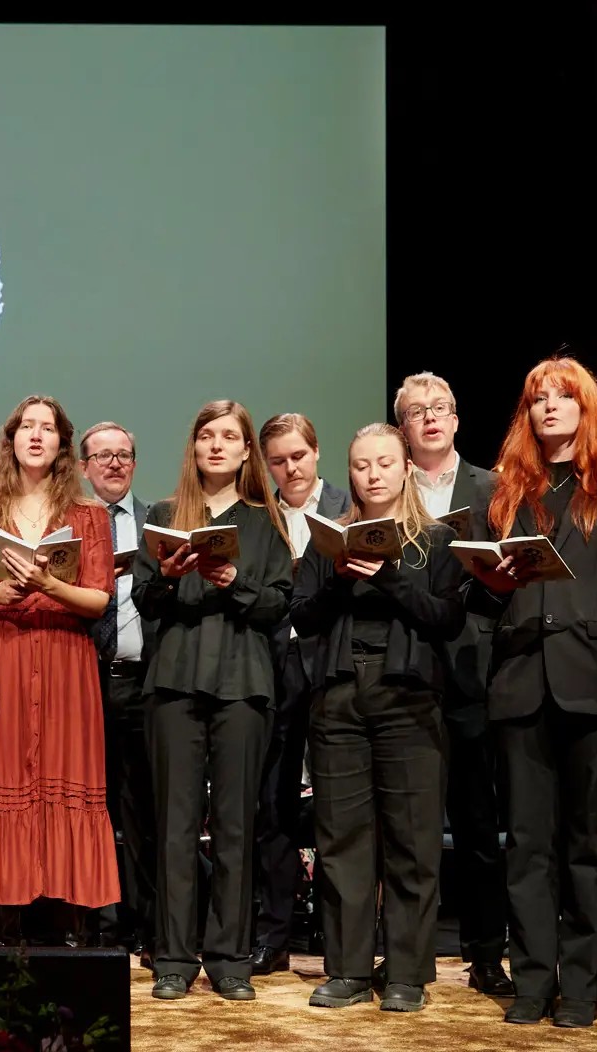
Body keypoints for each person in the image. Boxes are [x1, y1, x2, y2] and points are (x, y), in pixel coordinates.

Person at [461, 356, 597, 1029]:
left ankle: (579, 985)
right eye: (538, 399)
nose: (549, 408)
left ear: (587, 408)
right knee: (526, 842)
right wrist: (489, 580)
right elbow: (486, 598)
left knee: (591, 843)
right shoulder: (508, 492)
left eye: (562, 397)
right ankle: (532, 981)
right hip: (521, 679)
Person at [291, 424, 466, 1011]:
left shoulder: (436, 539)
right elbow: (305, 618)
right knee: (342, 840)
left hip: (408, 698)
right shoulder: (327, 541)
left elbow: (444, 619)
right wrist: (340, 577)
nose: (373, 474)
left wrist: (388, 575)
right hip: (339, 697)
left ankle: (408, 974)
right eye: (362, 465)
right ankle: (346, 969)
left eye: (385, 463)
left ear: (405, 467)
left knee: (412, 840)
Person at [0, 396, 118, 945]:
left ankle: (66, 926)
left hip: (64, 662)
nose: (36, 436)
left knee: (63, 787)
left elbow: (98, 601)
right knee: (2, 785)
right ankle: (2, 927)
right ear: (10, 440)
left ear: (64, 445)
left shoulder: (89, 517)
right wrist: (2, 589)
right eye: (27, 427)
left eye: (48, 429)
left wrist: (47, 586)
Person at [135, 401, 293, 1002]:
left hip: (244, 683)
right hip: (174, 681)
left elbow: (280, 605)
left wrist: (235, 583)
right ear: (193, 447)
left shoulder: (265, 519)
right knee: (175, 826)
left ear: (247, 450)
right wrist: (174, 574)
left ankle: (229, 957)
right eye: (207, 436)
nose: (218, 446)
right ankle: (173, 956)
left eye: (230, 437)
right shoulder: (165, 513)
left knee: (236, 827)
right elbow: (146, 599)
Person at [394, 372, 513, 995]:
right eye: (417, 412)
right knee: (404, 824)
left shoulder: (494, 488)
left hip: (469, 666)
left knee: (475, 822)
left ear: (458, 419)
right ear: (403, 428)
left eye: (441, 408)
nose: (431, 418)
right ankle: (403, 950)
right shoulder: (385, 486)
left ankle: (486, 951)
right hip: (404, 667)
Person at [250, 412, 350, 975]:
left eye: (298, 456)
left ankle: (343, 939)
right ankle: (275, 935)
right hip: (274, 667)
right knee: (274, 807)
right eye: (279, 460)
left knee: (340, 809)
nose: (290, 468)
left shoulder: (349, 507)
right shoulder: (260, 518)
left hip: (336, 667)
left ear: (317, 453)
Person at [82, 422, 157, 963]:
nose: (114, 464)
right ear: (83, 466)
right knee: (87, 810)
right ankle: (94, 925)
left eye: (123, 455)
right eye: (102, 456)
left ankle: (145, 925)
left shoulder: (159, 523)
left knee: (143, 812)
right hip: (80, 684)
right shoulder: (71, 524)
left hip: (141, 682)